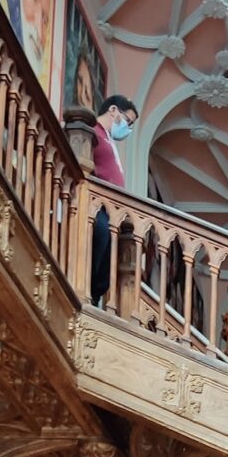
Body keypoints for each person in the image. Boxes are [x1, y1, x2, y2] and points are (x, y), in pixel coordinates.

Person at [90, 95, 138, 306]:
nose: (127, 128)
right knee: (99, 234)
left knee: (111, 251)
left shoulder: (108, 139)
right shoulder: (93, 132)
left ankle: (96, 295)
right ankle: (89, 292)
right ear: (113, 110)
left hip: (112, 209)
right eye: (127, 121)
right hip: (96, 203)